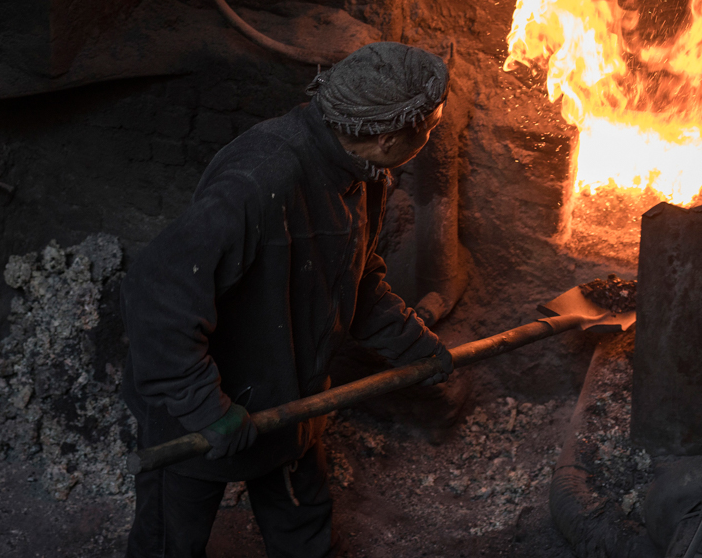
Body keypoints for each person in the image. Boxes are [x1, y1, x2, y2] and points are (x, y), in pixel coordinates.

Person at [120, 42, 455, 557]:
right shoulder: (259, 182)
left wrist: (413, 345)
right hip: (201, 414)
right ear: (388, 136)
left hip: (290, 404)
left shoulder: (361, 174)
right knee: (170, 543)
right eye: (429, 127)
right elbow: (157, 296)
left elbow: (356, 280)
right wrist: (205, 408)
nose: (431, 137)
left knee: (306, 536)